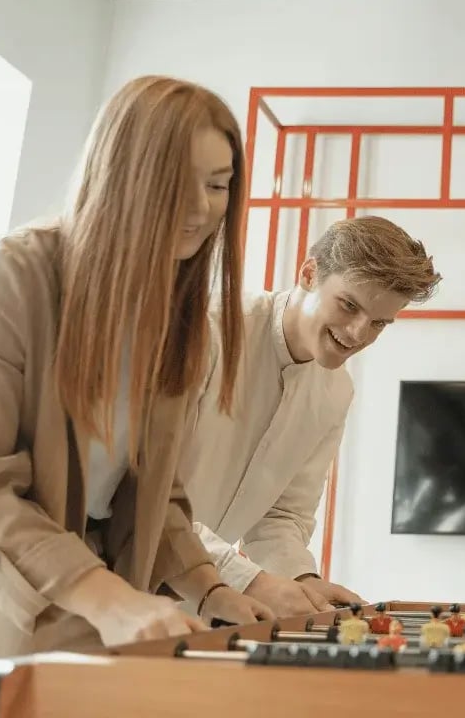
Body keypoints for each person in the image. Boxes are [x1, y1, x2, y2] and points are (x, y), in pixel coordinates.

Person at [0, 75, 274, 718]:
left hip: (90, 602)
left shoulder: (179, 317)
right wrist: (108, 598)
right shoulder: (6, 283)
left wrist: (210, 589)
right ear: (122, 172)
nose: (201, 209)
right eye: (177, 180)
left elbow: (152, 492)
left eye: (218, 183)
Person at [180, 215, 440, 617]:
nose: (358, 334)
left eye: (379, 324)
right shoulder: (207, 333)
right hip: (107, 589)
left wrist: (303, 581)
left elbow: (281, 514)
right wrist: (252, 581)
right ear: (308, 273)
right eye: (349, 305)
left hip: (199, 604)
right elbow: (147, 500)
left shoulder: (337, 391)